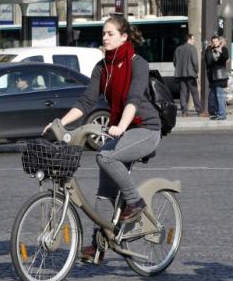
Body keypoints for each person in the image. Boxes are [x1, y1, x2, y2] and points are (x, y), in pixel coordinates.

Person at [43, 15, 161, 263]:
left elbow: (134, 99)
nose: (104, 37)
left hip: (146, 128)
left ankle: (135, 203)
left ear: (123, 37)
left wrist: (120, 127)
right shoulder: (102, 67)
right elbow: (86, 101)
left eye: (110, 33)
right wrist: (60, 123)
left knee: (105, 156)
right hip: (122, 129)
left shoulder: (137, 63)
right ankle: (100, 244)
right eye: (104, 33)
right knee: (104, 192)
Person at [173, 34, 206, 117]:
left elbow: (175, 62)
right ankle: (199, 111)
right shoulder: (192, 48)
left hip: (180, 75)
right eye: (193, 39)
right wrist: (196, 71)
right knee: (194, 93)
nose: (194, 41)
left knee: (183, 93)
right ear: (190, 39)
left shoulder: (178, 49)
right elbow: (195, 62)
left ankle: (184, 111)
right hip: (190, 74)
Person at [204, 35, 229, 120]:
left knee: (219, 95)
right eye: (213, 42)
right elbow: (207, 61)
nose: (215, 43)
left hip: (220, 76)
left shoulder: (224, 49)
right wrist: (208, 49)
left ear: (219, 42)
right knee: (214, 96)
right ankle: (217, 113)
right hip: (212, 77)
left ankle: (222, 114)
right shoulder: (210, 50)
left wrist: (220, 51)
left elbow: (226, 58)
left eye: (216, 41)